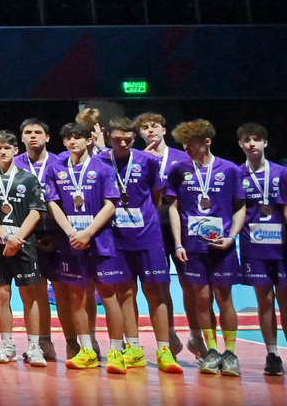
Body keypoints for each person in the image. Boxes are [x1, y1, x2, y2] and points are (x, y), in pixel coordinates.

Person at [44, 121, 127, 372]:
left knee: (109, 296)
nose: (73, 141)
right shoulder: (55, 169)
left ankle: (116, 352)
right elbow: (53, 204)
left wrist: (88, 232)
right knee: (77, 296)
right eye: (68, 138)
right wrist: (72, 232)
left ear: (89, 140)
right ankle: (87, 351)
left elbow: (111, 205)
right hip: (71, 242)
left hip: (100, 240)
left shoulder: (103, 168)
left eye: (78, 137)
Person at [170, 119, 247, 376]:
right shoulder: (179, 170)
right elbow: (174, 208)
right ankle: (212, 350)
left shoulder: (230, 169)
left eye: (192, 144)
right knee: (202, 300)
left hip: (222, 246)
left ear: (207, 142)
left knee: (225, 299)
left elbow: (240, 207)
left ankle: (231, 353)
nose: (187, 149)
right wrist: (178, 243)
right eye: (184, 145)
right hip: (193, 246)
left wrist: (232, 237)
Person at [104, 118, 181, 373]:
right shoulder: (101, 161)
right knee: (125, 292)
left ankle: (164, 350)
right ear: (109, 137)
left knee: (156, 292)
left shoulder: (148, 160)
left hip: (148, 236)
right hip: (117, 237)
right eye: (118, 139)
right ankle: (134, 349)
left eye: (128, 139)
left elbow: (157, 195)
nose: (123, 143)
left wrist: (146, 217)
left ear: (134, 138)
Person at [0, 130, 48, 366]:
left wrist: (17, 238)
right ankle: (7, 346)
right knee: (2, 294)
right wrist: (6, 236)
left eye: (7, 147)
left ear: (16, 150)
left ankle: (34, 347)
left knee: (29, 295)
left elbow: (36, 212)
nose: (3, 151)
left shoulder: (28, 178)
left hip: (24, 244)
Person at [13, 119, 64, 363]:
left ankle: (82, 343)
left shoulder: (60, 162)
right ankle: (43, 342)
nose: (33, 136)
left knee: (67, 293)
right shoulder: (14, 164)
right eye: (28, 132)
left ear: (47, 137)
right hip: (28, 236)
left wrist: (58, 235)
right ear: (22, 137)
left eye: (38, 132)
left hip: (58, 234)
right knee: (35, 292)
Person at [237, 123, 284, 376]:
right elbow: (237, 210)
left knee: (285, 301)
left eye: (256, 139)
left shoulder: (281, 173)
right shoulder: (236, 174)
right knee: (264, 301)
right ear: (240, 144)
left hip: (282, 247)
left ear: (265, 143)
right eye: (247, 140)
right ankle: (272, 354)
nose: (252, 144)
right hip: (253, 246)